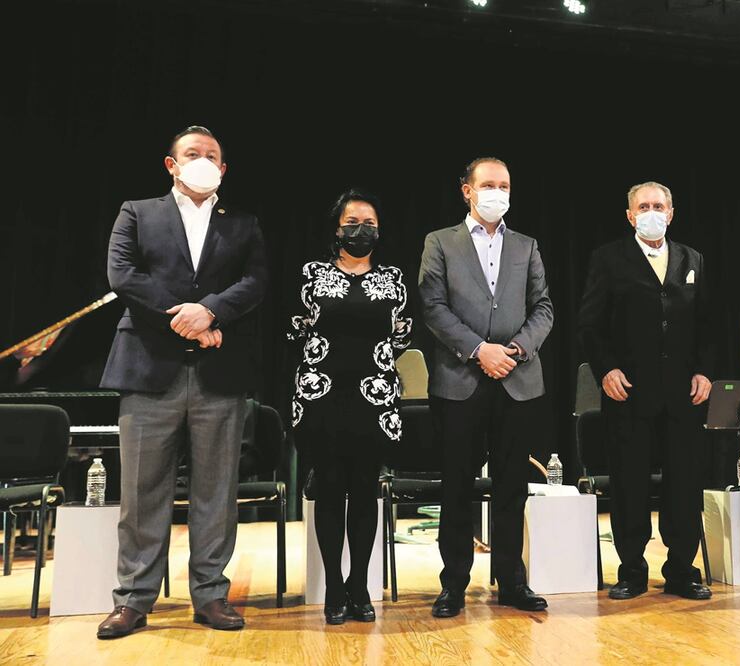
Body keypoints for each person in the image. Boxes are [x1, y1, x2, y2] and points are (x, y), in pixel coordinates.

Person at [96, 126, 268, 639]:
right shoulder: (137, 212)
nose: (203, 160)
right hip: (149, 369)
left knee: (216, 490)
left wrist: (210, 311)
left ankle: (210, 594)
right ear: (171, 164)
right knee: (142, 492)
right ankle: (133, 599)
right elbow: (123, 275)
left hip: (219, 372)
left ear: (224, 169)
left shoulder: (243, 223)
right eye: (193, 153)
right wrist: (186, 318)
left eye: (213, 155)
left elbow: (256, 282)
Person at [418, 157, 554, 618]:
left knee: (512, 486)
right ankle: (454, 584)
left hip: (517, 379)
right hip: (460, 381)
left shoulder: (527, 246)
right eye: (489, 184)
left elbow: (543, 308)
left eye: (505, 185)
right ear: (467, 191)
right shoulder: (440, 242)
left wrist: (515, 349)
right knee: (457, 484)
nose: (498, 192)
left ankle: (511, 580)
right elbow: (433, 306)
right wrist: (479, 350)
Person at [577, 181, 714, 601]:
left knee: (684, 484)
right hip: (629, 391)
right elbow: (590, 324)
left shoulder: (693, 258)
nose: (651, 212)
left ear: (670, 213)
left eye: (658, 206)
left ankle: (682, 570)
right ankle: (632, 570)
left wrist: (705, 371)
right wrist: (606, 370)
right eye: (643, 207)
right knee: (629, 483)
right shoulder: (608, 258)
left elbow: (707, 322)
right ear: (630, 215)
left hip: (683, 393)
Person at [288, 188, 412, 624]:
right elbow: (293, 329)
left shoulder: (394, 278)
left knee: (364, 492)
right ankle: (334, 588)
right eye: (352, 223)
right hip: (321, 396)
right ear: (337, 229)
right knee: (329, 490)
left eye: (369, 224)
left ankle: (360, 585)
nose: (361, 231)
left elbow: (403, 335)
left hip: (374, 399)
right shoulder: (311, 273)